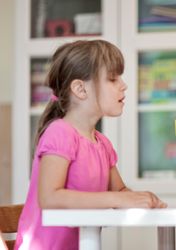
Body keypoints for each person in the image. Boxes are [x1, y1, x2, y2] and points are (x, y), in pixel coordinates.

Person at [15, 40, 167, 250]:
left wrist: (139, 199)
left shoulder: (102, 143)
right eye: (113, 79)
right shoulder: (60, 133)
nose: (123, 85)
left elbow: (119, 190)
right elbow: (50, 197)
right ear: (80, 89)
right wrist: (117, 200)